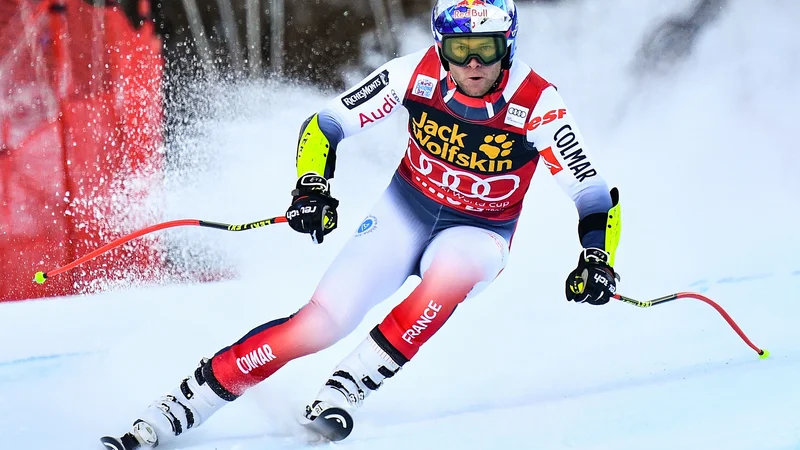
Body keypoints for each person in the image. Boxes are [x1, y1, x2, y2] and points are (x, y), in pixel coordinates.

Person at [100, 0, 622, 448]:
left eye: (487, 46)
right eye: (460, 49)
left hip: (479, 232)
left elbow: (593, 191)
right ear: (441, 46)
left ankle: (346, 388)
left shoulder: (536, 103)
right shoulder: (411, 74)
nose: (475, 62)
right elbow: (324, 124)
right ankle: (179, 407)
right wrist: (311, 187)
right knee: (319, 324)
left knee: (453, 273)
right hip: (405, 212)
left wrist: (597, 258)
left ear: (509, 43)